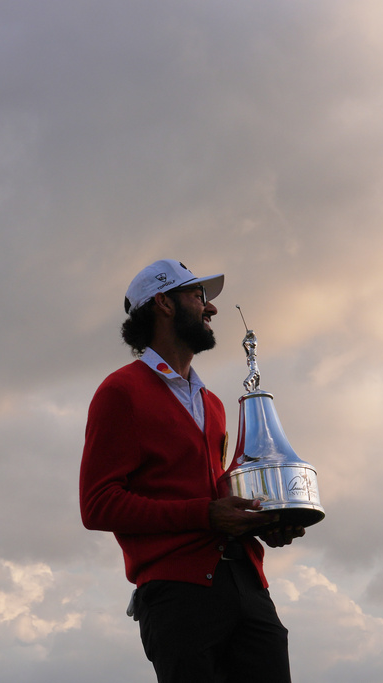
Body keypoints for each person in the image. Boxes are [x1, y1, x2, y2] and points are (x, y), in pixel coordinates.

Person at [79, 259, 304, 683]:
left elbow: (215, 494)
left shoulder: (214, 403)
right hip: (177, 595)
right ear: (163, 303)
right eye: (198, 296)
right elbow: (97, 505)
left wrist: (263, 520)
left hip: (247, 583)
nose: (210, 308)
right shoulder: (120, 392)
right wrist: (205, 515)